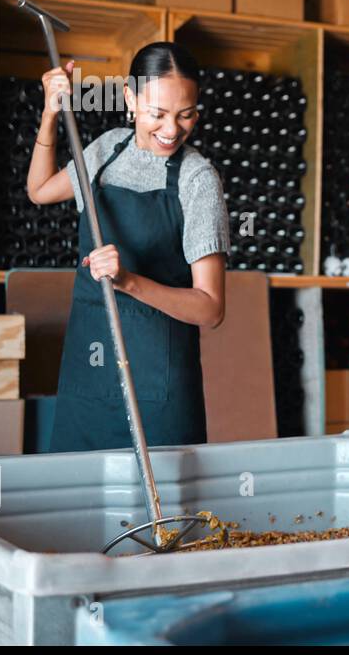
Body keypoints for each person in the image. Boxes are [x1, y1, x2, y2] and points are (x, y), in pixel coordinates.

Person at [26, 42, 229, 451]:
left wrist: (129, 282)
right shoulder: (106, 149)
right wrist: (50, 114)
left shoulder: (197, 180)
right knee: (79, 502)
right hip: (89, 375)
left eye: (185, 115)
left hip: (159, 386)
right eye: (157, 114)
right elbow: (40, 190)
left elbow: (211, 309)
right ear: (130, 99)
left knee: (163, 512)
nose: (172, 130)